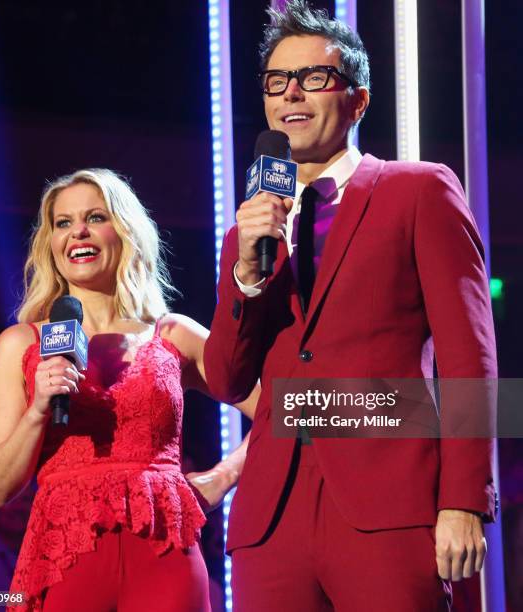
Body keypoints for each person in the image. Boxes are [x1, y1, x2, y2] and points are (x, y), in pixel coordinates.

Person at [203, 1, 497, 610]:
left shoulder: (418, 190)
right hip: (272, 518)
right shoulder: (249, 230)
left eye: (315, 78)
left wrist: (464, 497)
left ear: (358, 101)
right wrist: (247, 273)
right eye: (277, 82)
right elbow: (228, 379)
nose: (293, 95)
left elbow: (470, 353)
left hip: (389, 504)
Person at [0, 168, 255, 612]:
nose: (78, 232)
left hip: (165, 553)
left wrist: (221, 478)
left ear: (124, 231)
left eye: (95, 217)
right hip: (64, 558)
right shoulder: (21, 343)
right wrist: (37, 412)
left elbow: (288, 407)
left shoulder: (172, 334)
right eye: (63, 223)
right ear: (50, 243)